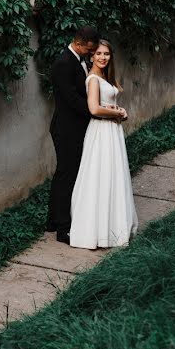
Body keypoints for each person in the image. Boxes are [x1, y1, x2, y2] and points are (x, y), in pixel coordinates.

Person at [69, 39, 138, 249]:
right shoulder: (92, 79)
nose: (102, 57)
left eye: (106, 54)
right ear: (91, 56)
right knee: (99, 175)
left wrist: (120, 112)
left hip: (111, 131)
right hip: (101, 130)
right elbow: (95, 109)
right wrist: (117, 112)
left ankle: (113, 226)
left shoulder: (104, 77)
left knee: (113, 175)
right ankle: (95, 231)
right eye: (98, 53)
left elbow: (106, 105)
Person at [46, 25, 100, 244]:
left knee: (66, 174)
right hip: (66, 129)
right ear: (78, 43)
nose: (90, 54)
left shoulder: (79, 60)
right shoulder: (63, 64)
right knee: (67, 176)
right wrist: (97, 111)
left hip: (76, 127)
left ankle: (51, 221)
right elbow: (72, 100)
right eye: (88, 49)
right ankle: (62, 229)